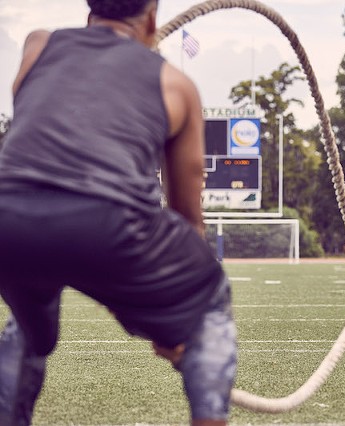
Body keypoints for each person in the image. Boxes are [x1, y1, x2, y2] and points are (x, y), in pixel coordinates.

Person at [0, 1, 237, 425]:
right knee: (210, 298)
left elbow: (42, 129)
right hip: (106, 220)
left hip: (8, 218)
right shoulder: (174, 82)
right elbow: (186, 216)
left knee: (30, 331)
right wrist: (178, 322)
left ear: (89, 11)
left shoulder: (38, 44)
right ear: (151, 18)